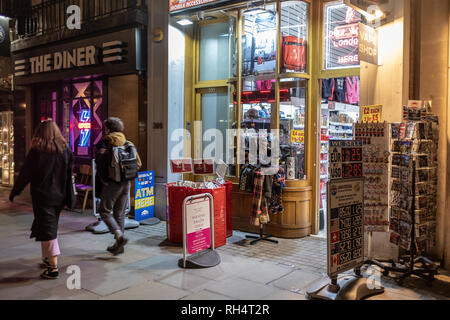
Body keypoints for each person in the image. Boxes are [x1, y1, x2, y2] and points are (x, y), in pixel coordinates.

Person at [9, 120, 74, 280]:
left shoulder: (37, 151)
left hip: (42, 196)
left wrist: (15, 191)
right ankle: (47, 259)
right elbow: (68, 175)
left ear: (40, 133)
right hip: (59, 196)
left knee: (48, 229)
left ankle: (52, 267)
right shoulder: (65, 150)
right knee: (48, 226)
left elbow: (25, 174)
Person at [95, 117, 141, 255]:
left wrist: (104, 180)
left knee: (104, 211)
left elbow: (100, 162)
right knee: (119, 214)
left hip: (112, 183)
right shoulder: (128, 143)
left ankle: (119, 237)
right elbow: (138, 164)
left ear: (108, 128)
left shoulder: (105, 142)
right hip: (127, 182)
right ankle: (118, 246)